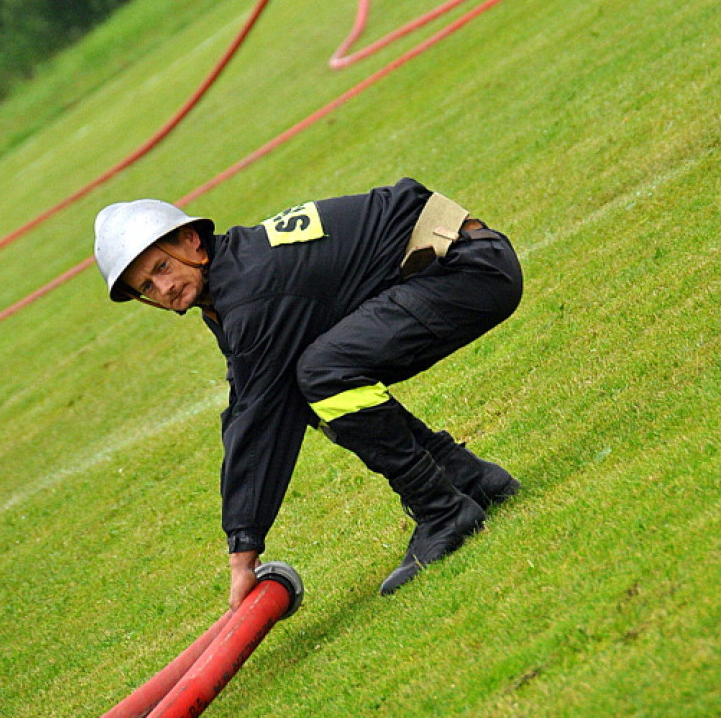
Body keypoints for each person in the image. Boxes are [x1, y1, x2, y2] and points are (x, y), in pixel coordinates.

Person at [93, 177, 523, 609]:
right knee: (307, 382)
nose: (162, 289)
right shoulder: (230, 285)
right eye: (146, 287)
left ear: (192, 242)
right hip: (460, 265)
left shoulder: (248, 294)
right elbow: (247, 405)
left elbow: (259, 423)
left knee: (321, 375)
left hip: (469, 271)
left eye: (162, 268)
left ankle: (442, 509)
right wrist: (243, 539)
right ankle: (466, 479)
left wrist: (242, 555)